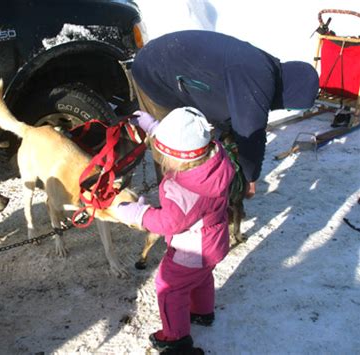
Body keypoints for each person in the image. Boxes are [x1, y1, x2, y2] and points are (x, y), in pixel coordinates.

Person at [131, 30, 320, 198]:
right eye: (289, 106)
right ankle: (175, 210)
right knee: (174, 143)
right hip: (155, 71)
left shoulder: (266, 70)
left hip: (179, 69)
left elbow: (225, 106)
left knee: (195, 143)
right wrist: (250, 178)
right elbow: (250, 133)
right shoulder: (257, 77)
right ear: (290, 94)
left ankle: (196, 198)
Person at [116, 107, 235, 354]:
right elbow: (185, 142)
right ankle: (202, 312)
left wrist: (137, 213)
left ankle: (175, 338)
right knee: (202, 277)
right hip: (214, 241)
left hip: (189, 249)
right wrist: (152, 126)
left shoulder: (184, 190)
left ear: (177, 159)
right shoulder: (215, 159)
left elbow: (170, 223)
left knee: (169, 288)